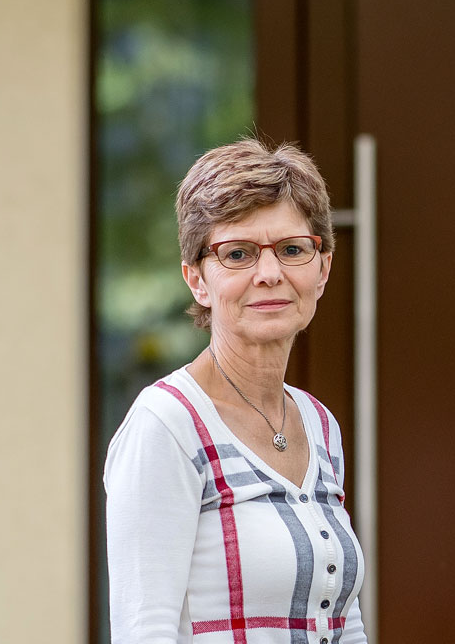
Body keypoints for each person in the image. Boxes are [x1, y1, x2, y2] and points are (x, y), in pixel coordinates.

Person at [105, 139, 365, 644]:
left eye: (292, 250)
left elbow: (344, 622)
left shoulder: (318, 423)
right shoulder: (168, 425)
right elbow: (145, 632)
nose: (269, 274)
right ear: (197, 279)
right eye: (238, 254)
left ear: (323, 269)